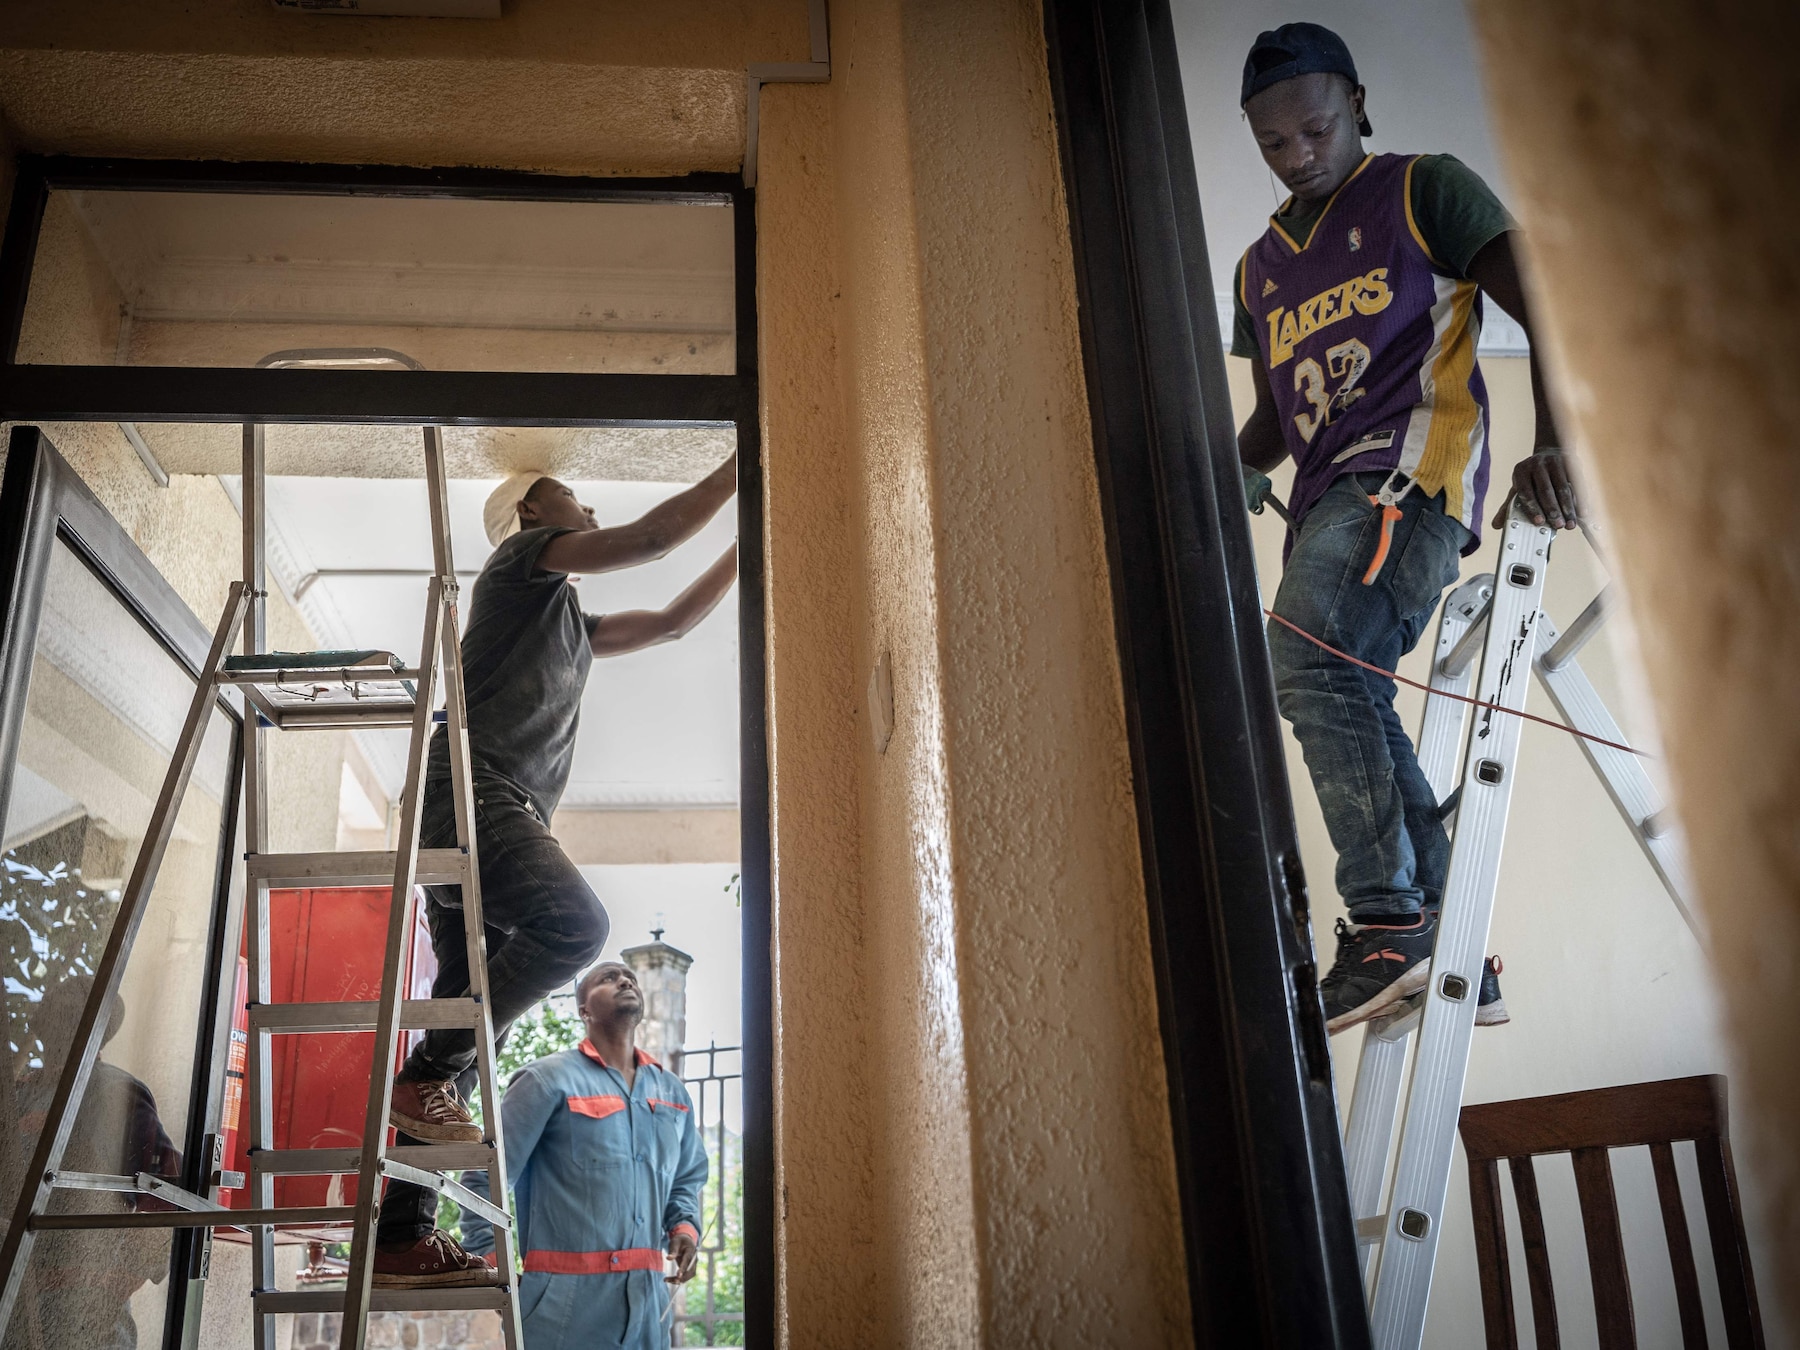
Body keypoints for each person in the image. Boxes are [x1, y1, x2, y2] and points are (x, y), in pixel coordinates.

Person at [1232, 24, 1578, 1033]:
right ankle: (1443, 931)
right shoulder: (1257, 271)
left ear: (1358, 104)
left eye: (1316, 127)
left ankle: (1386, 924)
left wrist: (1556, 445)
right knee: (1343, 680)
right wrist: (1222, 470)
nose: (1301, 154)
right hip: (1327, 505)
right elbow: (1271, 421)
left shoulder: (1422, 188)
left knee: (1309, 658)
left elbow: (1544, 301)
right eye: (1275, 144)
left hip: (1406, 481)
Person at [372, 459, 737, 1286]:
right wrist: (746, 464)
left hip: (492, 806)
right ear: (533, 513)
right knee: (575, 928)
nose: (588, 504)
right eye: (574, 497)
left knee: (470, 1026)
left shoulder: (573, 619)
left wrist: (754, 543)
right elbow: (650, 539)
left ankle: (400, 1234)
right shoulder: (520, 564)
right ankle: (425, 1073)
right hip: (469, 792)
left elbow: (678, 619)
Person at [455, 962, 707, 1349]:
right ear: (583, 1010)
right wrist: (493, 1267)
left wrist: (685, 1231)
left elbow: (687, 1178)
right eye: (608, 978)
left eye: (631, 978)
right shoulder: (545, 1081)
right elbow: (482, 1176)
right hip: (560, 1308)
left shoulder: (672, 1094)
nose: (625, 981)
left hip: (648, 1307)